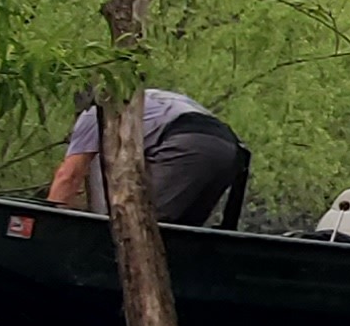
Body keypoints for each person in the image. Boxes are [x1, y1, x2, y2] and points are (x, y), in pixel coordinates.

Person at [47, 86, 249, 228]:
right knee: (180, 232)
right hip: (229, 148)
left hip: (186, 143)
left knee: (137, 225)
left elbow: (69, 176)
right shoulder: (148, 98)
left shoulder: (95, 115)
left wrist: (50, 226)